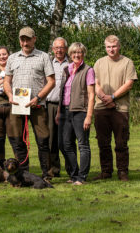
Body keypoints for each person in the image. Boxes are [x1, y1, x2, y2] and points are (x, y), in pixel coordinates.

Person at [4, 27, 55, 180]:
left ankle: (47, 174)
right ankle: (23, 172)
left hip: (37, 105)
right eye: (22, 39)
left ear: (34, 39)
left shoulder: (43, 57)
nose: (25, 42)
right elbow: (7, 81)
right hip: (17, 105)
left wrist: (38, 98)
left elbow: (51, 82)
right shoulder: (12, 58)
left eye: (28, 39)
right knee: (18, 140)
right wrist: (9, 95)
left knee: (43, 140)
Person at [93, 35, 137, 181]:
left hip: (120, 108)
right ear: (105, 47)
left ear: (119, 46)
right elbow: (95, 84)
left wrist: (112, 97)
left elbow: (129, 83)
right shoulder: (99, 63)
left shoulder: (127, 62)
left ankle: (122, 172)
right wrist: (104, 98)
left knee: (121, 142)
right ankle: (106, 171)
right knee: (103, 142)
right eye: (108, 47)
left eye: (114, 46)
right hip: (101, 107)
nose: (111, 49)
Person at [57, 42, 95, 185]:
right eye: (74, 53)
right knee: (64, 144)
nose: (76, 55)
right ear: (70, 54)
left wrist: (89, 116)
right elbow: (63, 92)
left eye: (79, 52)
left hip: (80, 112)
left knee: (83, 145)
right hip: (65, 112)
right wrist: (59, 112)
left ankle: (82, 177)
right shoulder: (66, 69)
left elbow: (91, 95)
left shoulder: (88, 70)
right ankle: (74, 174)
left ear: (83, 53)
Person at [46, 37, 69, 177]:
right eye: (56, 48)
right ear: (53, 50)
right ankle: (53, 169)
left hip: (67, 106)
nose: (59, 50)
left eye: (61, 47)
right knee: (51, 139)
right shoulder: (48, 63)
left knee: (66, 139)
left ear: (66, 49)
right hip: (50, 105)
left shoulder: (71, 63)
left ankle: (71, 169)